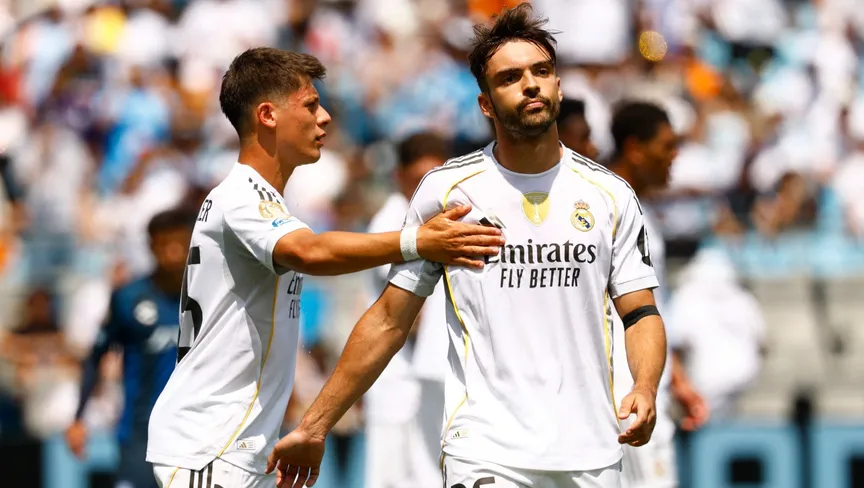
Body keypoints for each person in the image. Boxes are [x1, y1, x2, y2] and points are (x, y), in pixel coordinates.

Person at [267, 5, 668, 488]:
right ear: (485, 104)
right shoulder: (449, 193)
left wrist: (646, 386)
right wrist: (315, 425)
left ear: (559, 87)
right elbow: (390, 319)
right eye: (510, 77)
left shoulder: (610, 195)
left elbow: (640, 313)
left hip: (591, 451)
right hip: (486, 451)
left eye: (542, 72)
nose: (531, 85)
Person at [145, 47, 504, 488]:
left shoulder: (259, 201)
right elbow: (310, 252)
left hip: (236, 447)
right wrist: (417, 242)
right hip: (210, 445)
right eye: (311, 105)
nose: (326, 117)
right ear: (267, 115)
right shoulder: (241, 196)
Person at [606, 101, 710, 488]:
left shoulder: (639, 210)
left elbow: (649, 306)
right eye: (667, 145)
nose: (674, 155)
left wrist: (675, 377)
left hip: (645, 387)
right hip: (625, 393)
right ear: (635, 148)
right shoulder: (606, 210)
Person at [66, 209, 194, 488]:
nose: (172, 253)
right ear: (151, 246)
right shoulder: (128, 298)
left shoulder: (213, 299)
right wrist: (78, 418)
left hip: (197, 433)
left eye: (179, 244)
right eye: (164, 244)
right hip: (140, 434)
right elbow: (96, 356)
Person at [364, 131, 452, 488]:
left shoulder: (436, 220)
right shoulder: (390, 223)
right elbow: (407, 314)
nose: (428, 190)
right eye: (419, 178)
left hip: (425, 377)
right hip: (395, 382)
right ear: (399, 176)